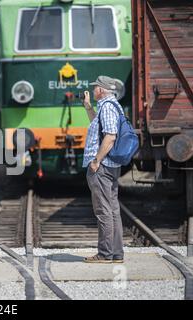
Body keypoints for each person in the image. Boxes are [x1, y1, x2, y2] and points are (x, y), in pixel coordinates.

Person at [81, 75, 125, 264]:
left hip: (102, 166)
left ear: (101, 89)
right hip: (111, 166)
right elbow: (97, 126)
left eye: (95, 88)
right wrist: (88, 107)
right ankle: (116, 253)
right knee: (113, 209)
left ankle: (105, 254)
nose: (92, 91)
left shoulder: (107, 107)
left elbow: (110, 136)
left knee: (103, 210)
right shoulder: (112, 105)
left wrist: (96, 160)